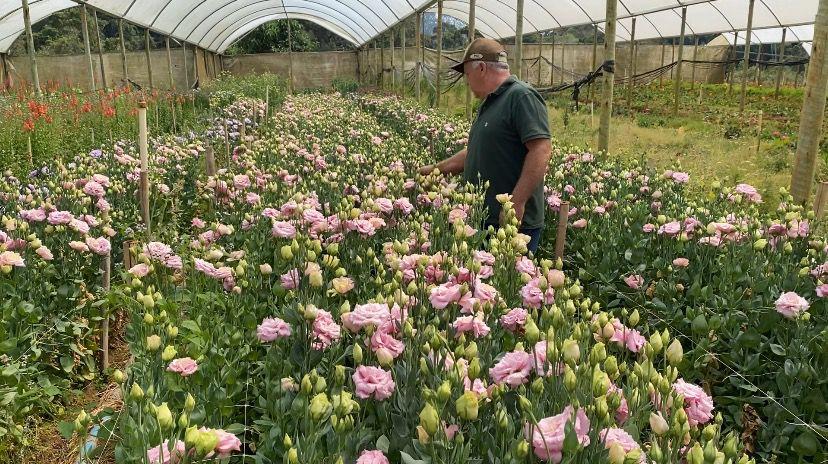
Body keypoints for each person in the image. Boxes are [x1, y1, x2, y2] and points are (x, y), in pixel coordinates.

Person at [418, 38, 552, 253]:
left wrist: (515, 203)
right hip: (483, 218)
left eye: (467, 74)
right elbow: (477, 151)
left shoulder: (521, 96)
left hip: (511, 223)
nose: (467, 81)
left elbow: (541, 150)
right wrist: (437, 169)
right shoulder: (491, 102)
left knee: (507, 275)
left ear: (481, 68)